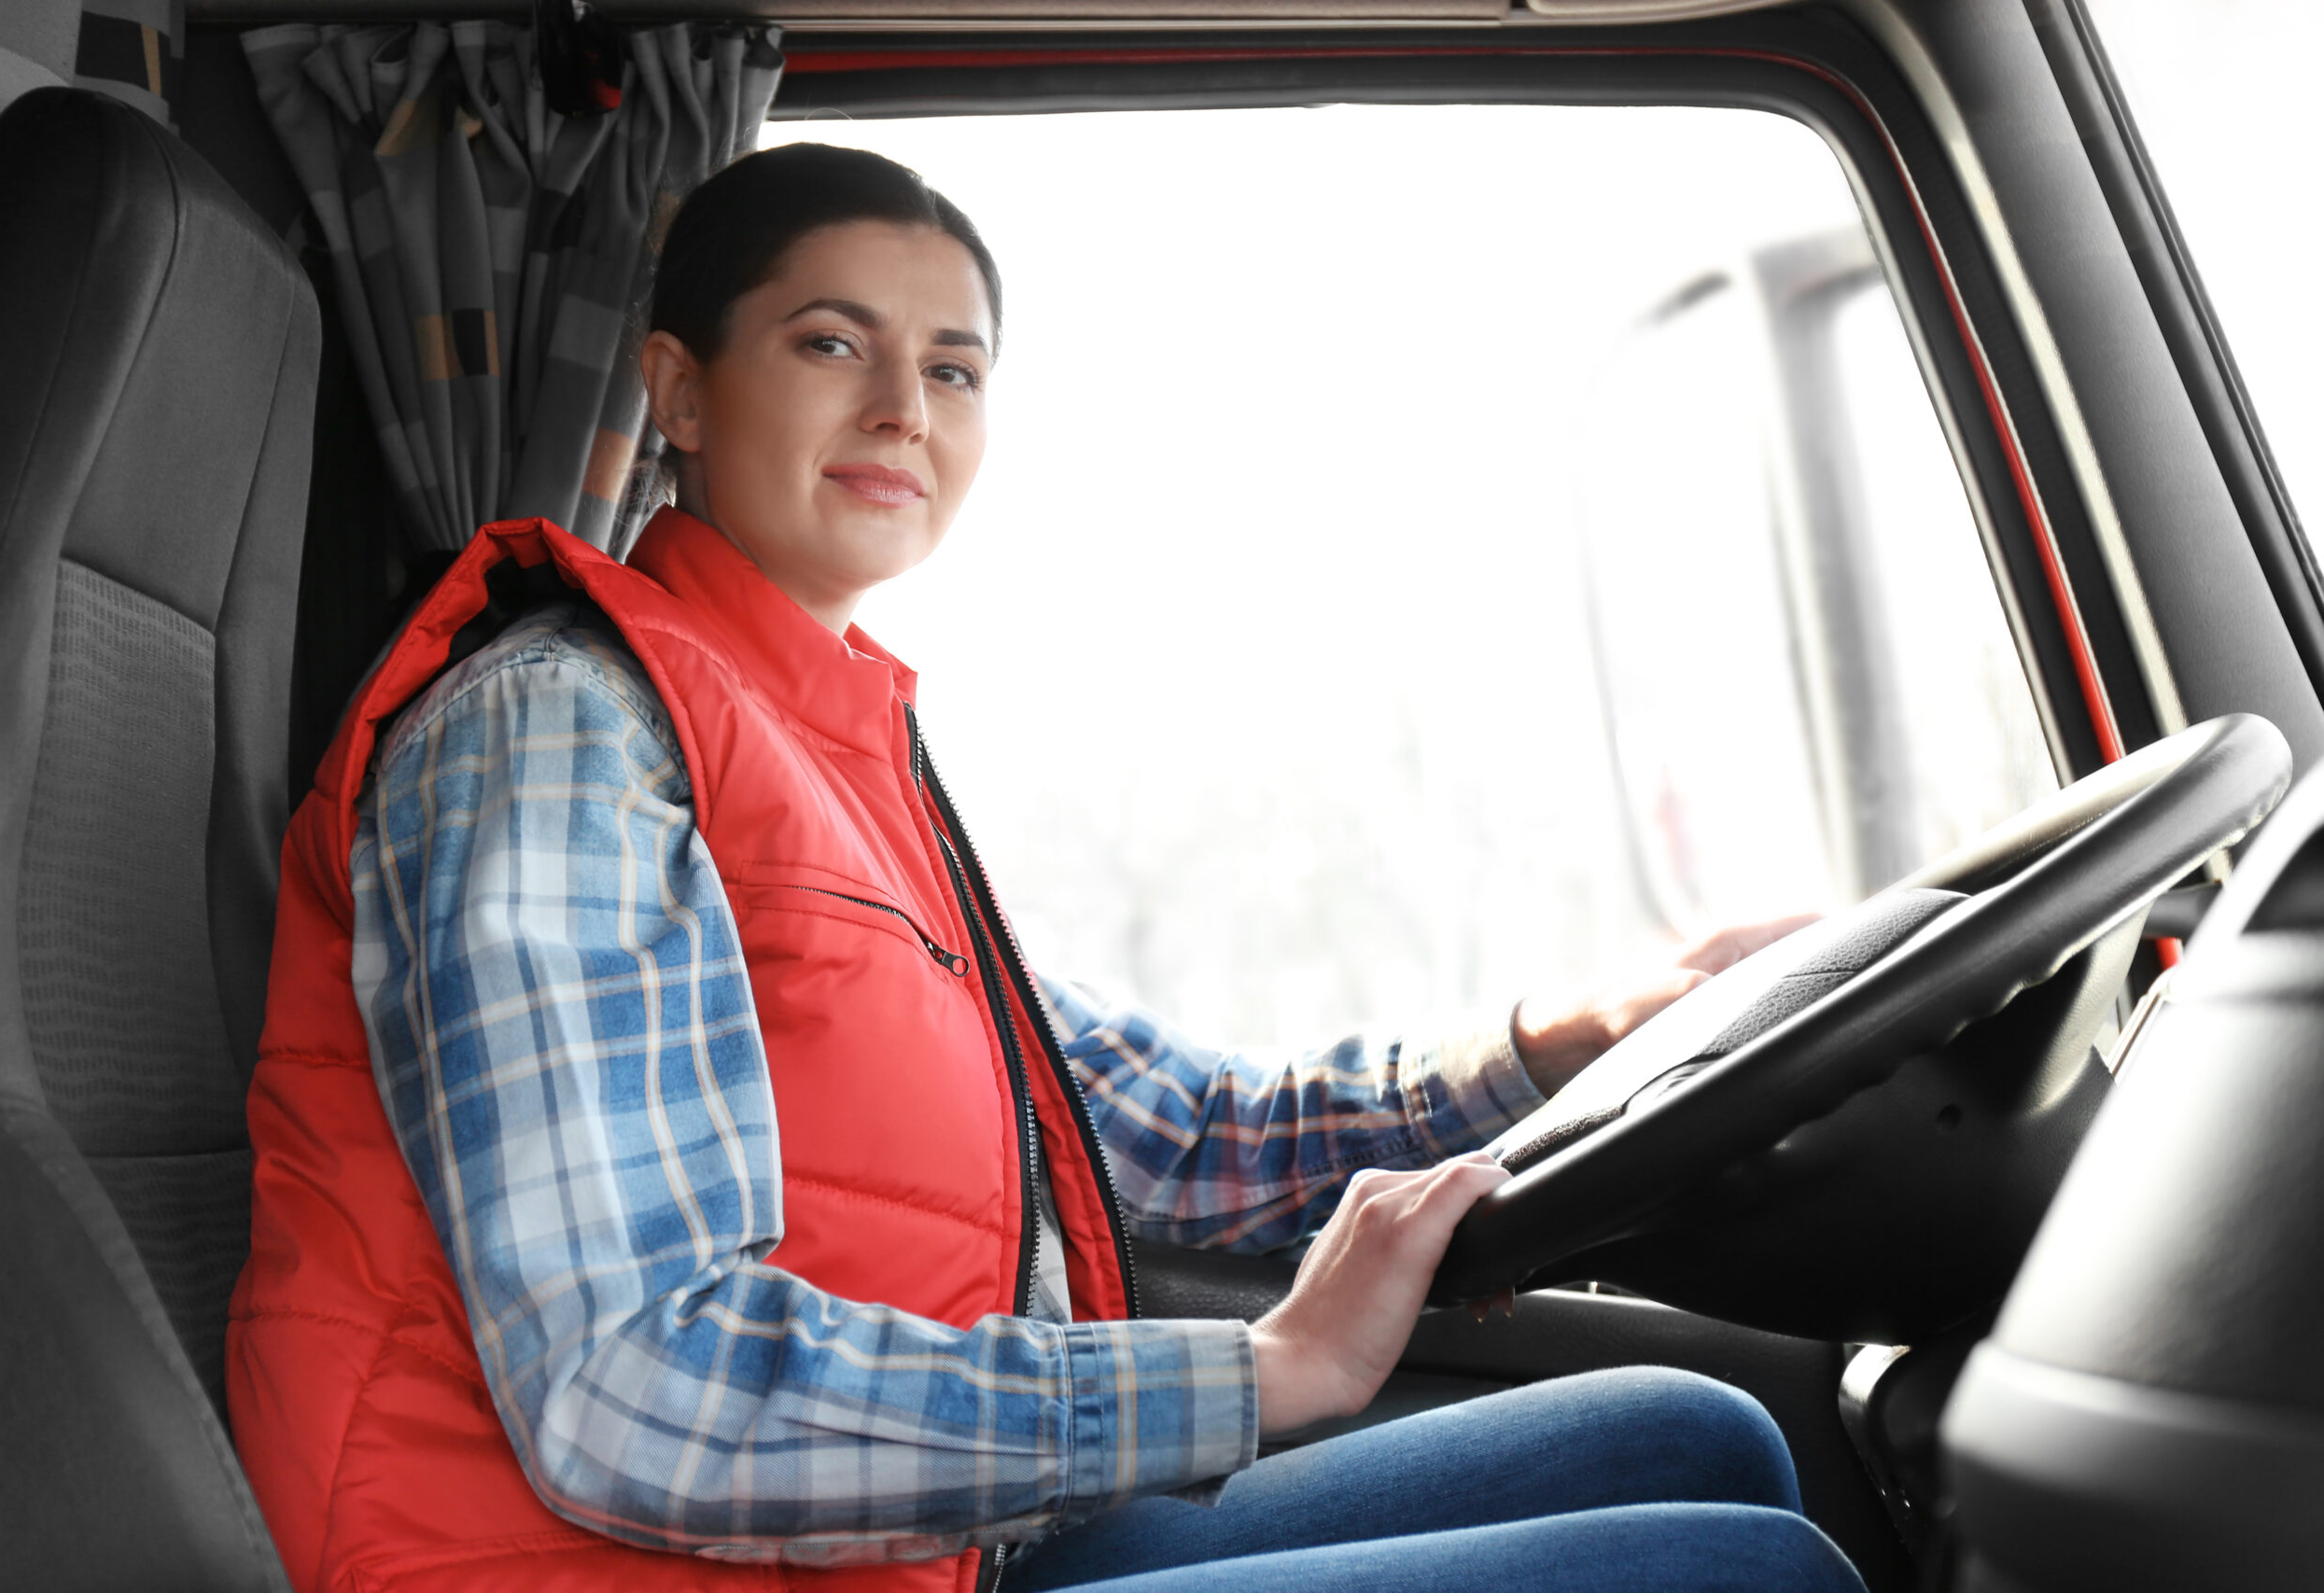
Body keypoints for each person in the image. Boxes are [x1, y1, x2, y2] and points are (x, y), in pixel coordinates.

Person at [227, 143, 1865, 1593]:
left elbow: (1172, 1131)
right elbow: (630, 1388)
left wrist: (1563, 1041)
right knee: (1742, 1568)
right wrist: (1264, 1370)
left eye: (954, 370)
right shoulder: (558, 737)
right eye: (830, 344)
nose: (901, 412)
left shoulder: (838, 757)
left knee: (1701, 1434)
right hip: (601, 1573)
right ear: (676, 389)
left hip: (899, 1555)